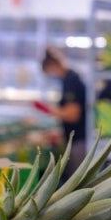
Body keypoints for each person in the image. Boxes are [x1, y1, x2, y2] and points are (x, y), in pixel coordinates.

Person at [40, 46, 87, 180]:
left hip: (80, 141)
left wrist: (50, 111)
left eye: (48, 73)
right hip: (74, 140)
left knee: (77, 181)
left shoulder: (72, 81)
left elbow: (74, 114)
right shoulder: (67, 81)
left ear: (52, 66)